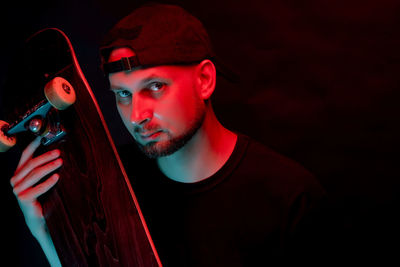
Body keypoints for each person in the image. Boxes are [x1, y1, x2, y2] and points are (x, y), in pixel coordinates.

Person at [10, 3, 326, 266]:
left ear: (204, 80)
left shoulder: (290, 196)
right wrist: (47, 232)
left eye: (155, 87)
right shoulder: (109, 180)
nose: (136, 115)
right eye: (122, 94)